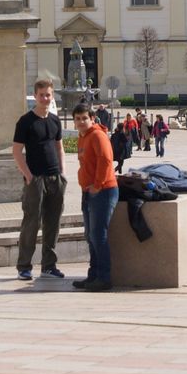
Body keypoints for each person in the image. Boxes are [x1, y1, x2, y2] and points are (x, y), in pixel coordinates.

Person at [13, 78, 68, 282]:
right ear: (35, 96)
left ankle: (49, 265)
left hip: (55, 178)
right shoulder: (26, 121)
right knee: (31, 222)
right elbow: (17, 151)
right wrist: (28, 175)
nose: (45, 98)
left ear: (52, 96)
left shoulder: (55, 120)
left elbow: (59, 147)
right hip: (35, 179)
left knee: (53, 223)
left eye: (48, 94)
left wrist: (62, 172)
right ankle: (24, 266)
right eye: (42, 95)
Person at [72, 102, 117, 292]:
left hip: (103, 191)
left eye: (85, 118)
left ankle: (104, 278)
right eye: (78, 119)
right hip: (88, 192)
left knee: (99, 235)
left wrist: (98, 185)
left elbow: (106, 160)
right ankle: (93, 275)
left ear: (92, 119)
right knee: (91, 236)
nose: (81, 122)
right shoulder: (82, 138)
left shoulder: (98, 135)